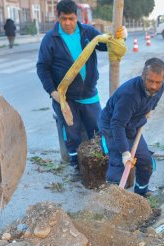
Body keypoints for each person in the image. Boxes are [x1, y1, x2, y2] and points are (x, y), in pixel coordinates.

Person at [36, 0, 126, 168]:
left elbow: (108, 46)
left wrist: (121, 36)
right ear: (58, 17)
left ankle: (103, 163)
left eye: (71, 18)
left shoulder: (87, 32)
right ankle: (77, 166)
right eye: (64, 19)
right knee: (72, 133)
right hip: (65, 97)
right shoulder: (51, 39)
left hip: (89, 94)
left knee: (99, 129)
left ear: (76, 17)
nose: (67, 23)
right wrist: (52, 91)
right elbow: (42, 67)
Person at [98, 58, 164, 197]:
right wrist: (125, 152)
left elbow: (154, 101)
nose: (154, 86)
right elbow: (117, 125)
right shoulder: (129, 95)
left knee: (146, 162)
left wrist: (149, 109)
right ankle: (112, 202)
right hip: (112, 127)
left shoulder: (161, 87)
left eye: (158, 82)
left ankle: (140, 194)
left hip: (133, 125)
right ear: (143, 76)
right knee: (119, 165)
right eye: (150, 81)